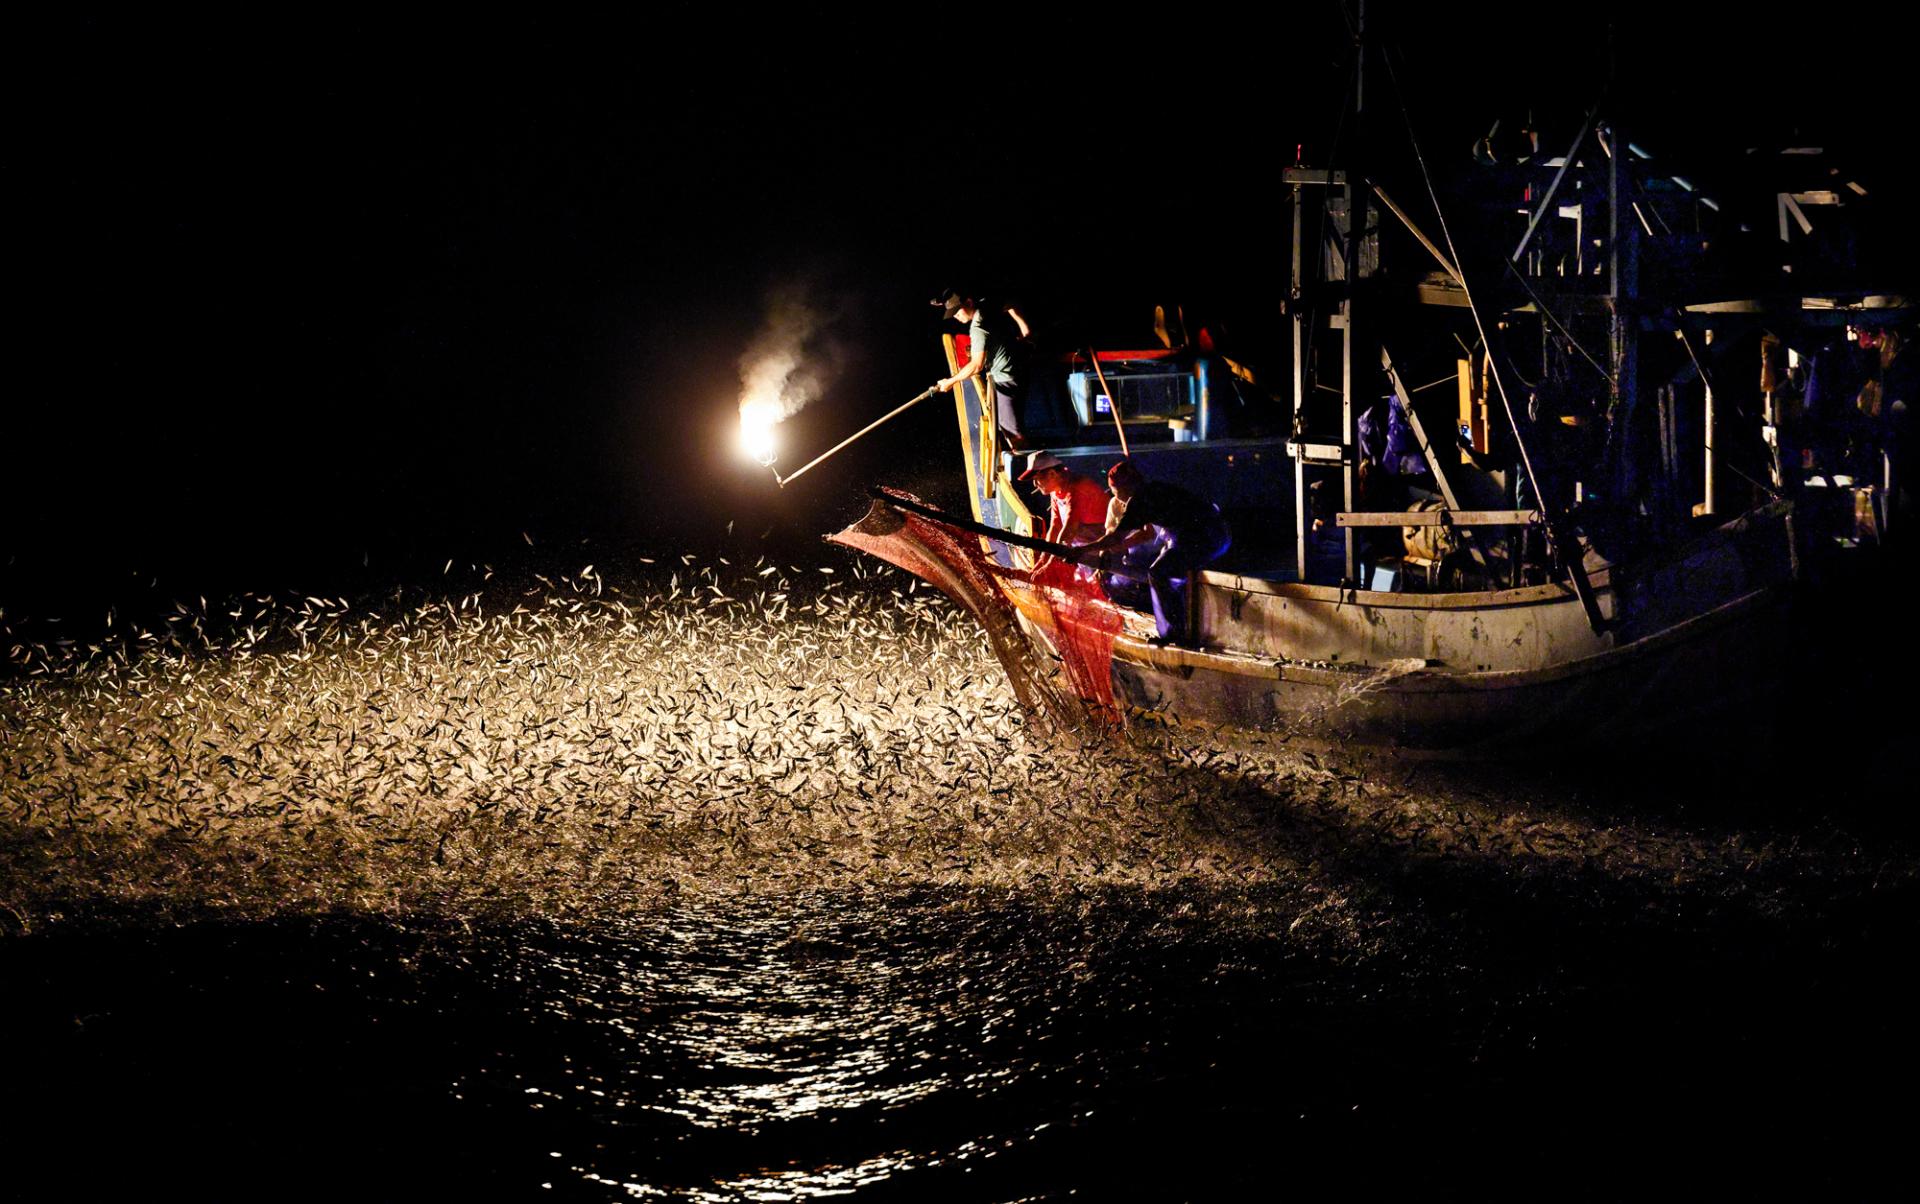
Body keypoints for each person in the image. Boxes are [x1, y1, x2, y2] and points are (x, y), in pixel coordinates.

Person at [1068, 460, 1231, 647]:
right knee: (1164, 562)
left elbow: (1115, 538)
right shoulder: (1156, 488)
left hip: (1203, 537)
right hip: (1213, 533)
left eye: (1116, 493)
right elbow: (1144, 531)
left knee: (1159, 573)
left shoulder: (1140, 501)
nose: (1117, 499)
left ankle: (1174, 634)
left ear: (1127, 487)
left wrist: (1081, 550)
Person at [933, 289, 1032, 448]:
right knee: (1010, 424)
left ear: (969, 303)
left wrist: (951, 381)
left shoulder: (977, 327)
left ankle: (1034, 467)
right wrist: (1025, 331)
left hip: (1004, 379)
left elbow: (976, 365)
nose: (955, 316)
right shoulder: (988, 307)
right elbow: (1011, 303)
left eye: (957, 311)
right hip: (1019, 371)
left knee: (1012, 433)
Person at [1018, 451, 1110, 587]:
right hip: (1083, 547)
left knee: (1096, 586)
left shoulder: (1077, 488)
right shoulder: (1056, 491)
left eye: (1037, 479)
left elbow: (1069, 531)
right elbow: (1055, 527)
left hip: (1104, 546)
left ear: (1052, 474)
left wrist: (1050, 565)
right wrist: (1043, 559)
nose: (1035, 485)